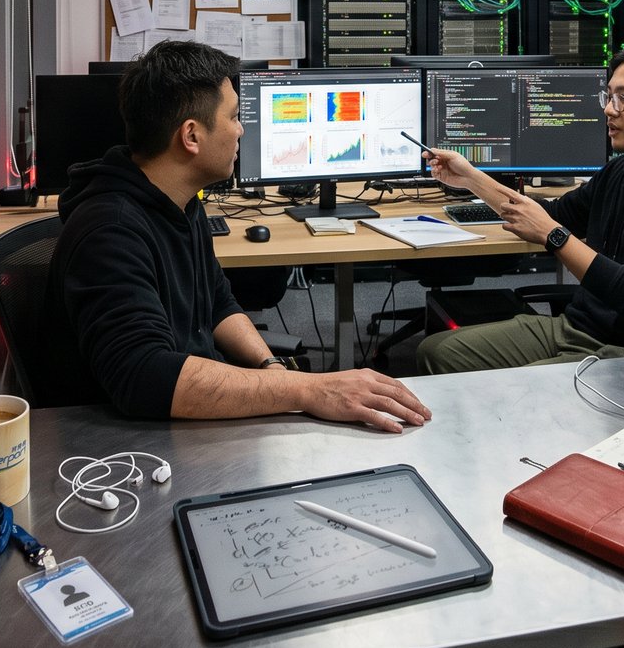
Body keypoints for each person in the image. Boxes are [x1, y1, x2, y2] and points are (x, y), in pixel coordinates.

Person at [54, 40, 432, 432]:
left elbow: (217, 302)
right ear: (191, 136)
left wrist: (275, 371)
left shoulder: (180, 202)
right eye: (233, 117)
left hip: (178, 414)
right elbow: (146, 375)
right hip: (129, 445)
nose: (242, 129)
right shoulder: (111, 231)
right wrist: (307, 390)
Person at [414, 42, 624, 373]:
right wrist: (470, 178)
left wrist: (555, 237)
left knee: (510, 390)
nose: (610, 110)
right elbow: (552, 217)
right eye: (608, 97)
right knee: (438, 351)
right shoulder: (623, 169)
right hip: (578, 328)